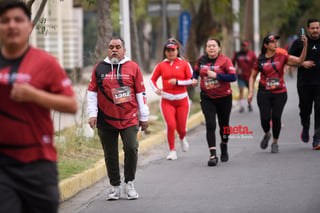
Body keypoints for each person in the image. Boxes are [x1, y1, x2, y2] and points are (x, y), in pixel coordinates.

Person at [0, 1, 78, 213]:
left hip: (38, 162)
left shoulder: (46, 63)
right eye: (5, 21)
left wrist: (34, 95)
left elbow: (71, 105)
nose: (11, 25)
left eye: (18, 20)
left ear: (30, 26)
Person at [87, 36, 149, 200]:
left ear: (124, 50)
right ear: (108, 50)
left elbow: (140, 93)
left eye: (118, 47)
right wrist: (92, 114)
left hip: (129, 117)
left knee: (131, 148)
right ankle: (115, 186)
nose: (114, 49)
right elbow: (92, 92)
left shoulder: (133, 67)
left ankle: (129, 183)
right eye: (111, 47)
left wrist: (144, 116)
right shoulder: (99, 68)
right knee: (110, 153)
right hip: (105, 118)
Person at [248, 33, 307, 153]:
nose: (276, 43)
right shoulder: (260, 59)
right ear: (266, 45)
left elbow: (300, 60)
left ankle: (275, 142)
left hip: (280, 92)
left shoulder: (282, 56)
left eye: (276, 41)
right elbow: (252, 76)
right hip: (264, 92)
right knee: (265, 118)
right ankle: (267, 133)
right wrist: (250, 92)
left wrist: (305, 45)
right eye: (273, 42)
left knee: (276, 117)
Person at [192, 38, 237, 167]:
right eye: (209, 46)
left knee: (224, 126)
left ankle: (224, 145)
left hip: (224, 98)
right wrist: (194, 78)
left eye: (214, 46)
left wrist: (217, 76)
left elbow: (233, 77)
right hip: (207, 97)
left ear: (219, 48)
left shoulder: (225, 60)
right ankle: (212, 155)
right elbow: (195, 71)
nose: (211, 48)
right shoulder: (201, 60)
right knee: (210, 124)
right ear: (206, 49)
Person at [150, 38, 193, 160]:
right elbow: (152, 79)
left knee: (181, 128)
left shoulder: (184, 64)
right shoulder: (161, 65)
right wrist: (156, 89)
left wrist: (178, 82)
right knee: (170, 125)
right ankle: (172, 150)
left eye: (173, 50)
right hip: (167, 100)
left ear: (177, 51)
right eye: (168, 50)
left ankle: (182, 137)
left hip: (182, 100)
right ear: (165, 52)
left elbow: (192, 80)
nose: (171, 53)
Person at [288, 18, 320, 150]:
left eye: (317, 28)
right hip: (304, 83)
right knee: (304, 110)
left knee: (319, 110)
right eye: (312, 28)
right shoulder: (299, 42)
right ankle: (305, 126)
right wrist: (302, 63)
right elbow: (288, 60)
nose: (315, 30)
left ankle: (317, 138)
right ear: (307, 29)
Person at [232, 40, 257, 113]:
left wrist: (254, 71)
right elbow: (232, 63)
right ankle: (242, 106)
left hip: (250, 76)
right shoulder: (237, 54)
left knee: (250, 91)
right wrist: (233, 70)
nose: (244, 47)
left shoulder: (252, 54)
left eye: (245, 46)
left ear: (248, 46)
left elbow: (256, 63)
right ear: (241, 46)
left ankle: (249, 104)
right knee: (241, 90)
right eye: (243, 46)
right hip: (240, 76)